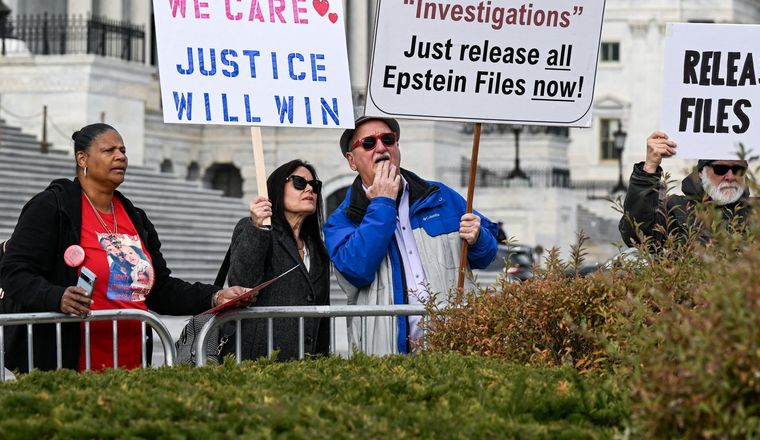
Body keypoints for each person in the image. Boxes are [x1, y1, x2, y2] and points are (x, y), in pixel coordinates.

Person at [0, 123, 251, 372]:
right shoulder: (52, 207)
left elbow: (160, 290)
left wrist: (216, 296)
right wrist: (56, 297)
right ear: (82, 158)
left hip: (130, 365)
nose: (120, 156)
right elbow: (13, 272)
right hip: (67, 364)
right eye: (109, 150)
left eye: (123, 150)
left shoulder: (135, 218)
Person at [323, 116, 500, 354]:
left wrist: (479, 238)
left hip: (452, 346)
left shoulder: (440, 196)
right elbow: (357, 269)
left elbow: (486, 256)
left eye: (388, 139)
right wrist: (383, 202)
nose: (381, 147)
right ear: (352, 161)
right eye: (368, 143)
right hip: (388, 354)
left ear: (397, 147)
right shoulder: (342, 220)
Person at [620, 130, 760, 248]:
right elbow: (636, 235)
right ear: (701, 172)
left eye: (738, 169)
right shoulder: (676, 209)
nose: (730, 176)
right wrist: (649, 169)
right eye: (720, 169)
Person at [224, 159, 330, 361]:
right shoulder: (254, 230)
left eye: (314, 185)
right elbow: (242, 282)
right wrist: (259, 228)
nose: (309, 189)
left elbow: (322, 316)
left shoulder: (316, 247)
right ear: (277, 188)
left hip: (305, 365)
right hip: (258, 360)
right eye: (299, 182)